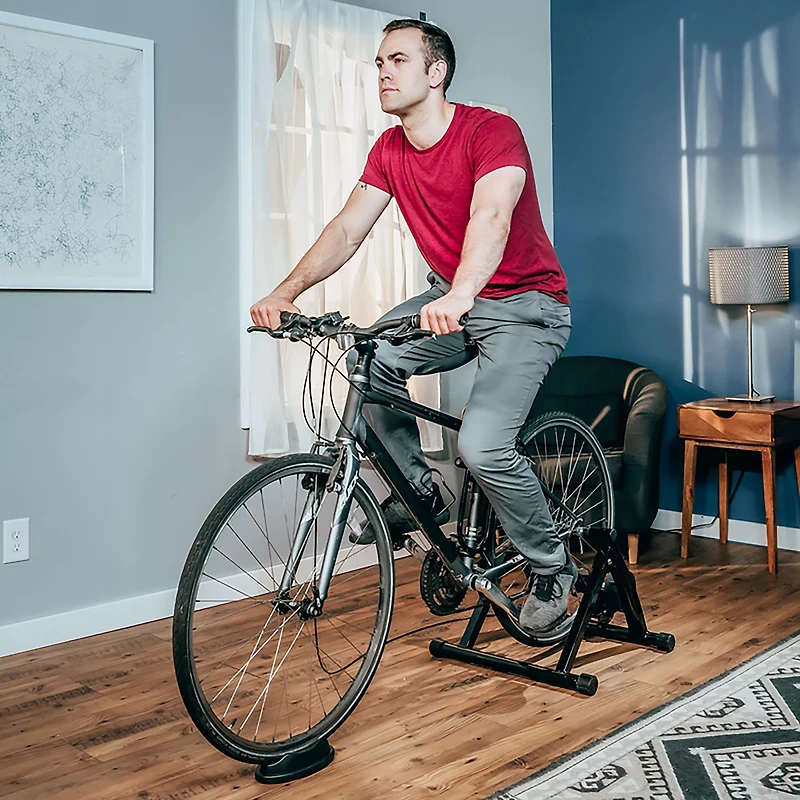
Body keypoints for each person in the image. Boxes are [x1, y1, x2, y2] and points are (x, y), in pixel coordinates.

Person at [250, 19, 574, 635]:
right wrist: (284, 294)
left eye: (396, 60)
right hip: (452, 300)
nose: (382, 73)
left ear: (436, 72)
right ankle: (424, 495)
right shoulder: (389, 150)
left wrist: (461, 293)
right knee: (370, 357)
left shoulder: (491, 130)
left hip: (526, 307)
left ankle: (551, 565)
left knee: (481, 446)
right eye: (378, 63)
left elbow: (492, 213)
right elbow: (348, 229)